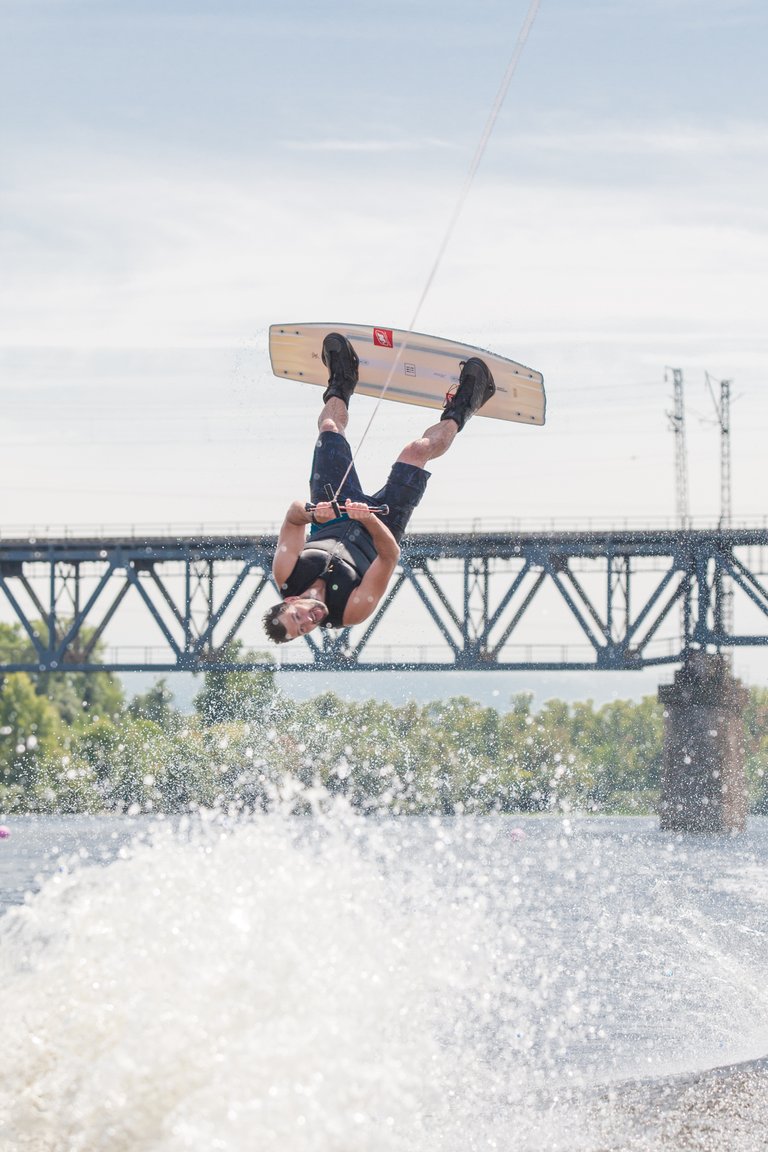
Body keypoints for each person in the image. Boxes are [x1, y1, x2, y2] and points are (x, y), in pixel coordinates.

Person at [262, 332, 495, 643]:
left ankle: (342, 378)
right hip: (383, 524)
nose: (309, 620)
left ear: (289, 602)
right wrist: (368, 519)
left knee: (330, 428)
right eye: (304, 629)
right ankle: (468, 401)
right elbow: (389, 557)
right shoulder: (350, 612)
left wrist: (314, 515)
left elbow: (292, 517)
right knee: (416, 451)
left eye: (297, 617)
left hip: (334, 507)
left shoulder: (287, 573)